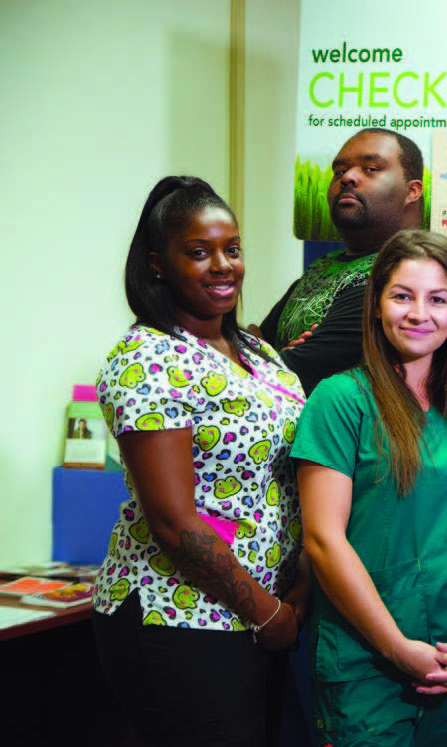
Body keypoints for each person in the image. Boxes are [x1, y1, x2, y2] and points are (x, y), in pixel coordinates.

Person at [92, 176, 310, 747]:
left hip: (262, 618)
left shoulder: (256, 352)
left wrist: (296, 592)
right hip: (182, 621)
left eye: (231, 249)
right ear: (158, 264)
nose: (222, 266)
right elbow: (173, 519)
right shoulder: (146, 358)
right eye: (199, 252)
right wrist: (269, 614)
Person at [293, 229, 447, 746]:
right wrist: (397, 647)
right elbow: (324, 541)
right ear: (375, 306)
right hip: (366, 665)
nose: (420, 313)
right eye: (402, 296)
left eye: (437, 299)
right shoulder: (340, 400)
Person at [256, 127, 424, 394]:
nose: (348, 177)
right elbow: (256, 342)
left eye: (370, 168)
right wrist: (269, 355)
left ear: (411, 190)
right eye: (339, 171)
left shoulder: (404, 272)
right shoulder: (326, 264)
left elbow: (299, 369)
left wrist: (274, 358)